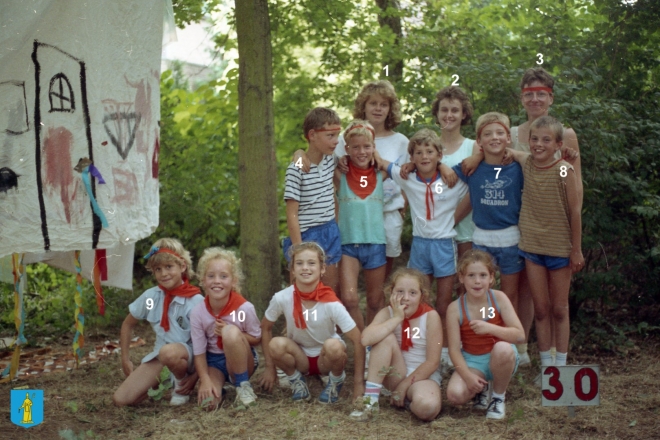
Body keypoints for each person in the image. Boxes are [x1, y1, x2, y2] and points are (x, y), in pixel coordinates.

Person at [294, 80, 409, 278]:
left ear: (391, 109)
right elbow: (323, 159)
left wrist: (403, 207)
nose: (378, 109)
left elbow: (406, 178)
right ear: (363, 106)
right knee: (345, 279)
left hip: (387, 214)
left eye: (384, 104)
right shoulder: (348, 136)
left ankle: (380, 309)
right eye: (373, 103)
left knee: (381, 280)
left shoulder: (401, 142)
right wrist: (298, 153)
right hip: (352, 218)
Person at [376, 129, 469, 371]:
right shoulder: (407, 177)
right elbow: (381, 162)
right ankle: (413, 347)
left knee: (443, 303)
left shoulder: (453, 179)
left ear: (439, 154)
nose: (424, 156)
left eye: (430, 151)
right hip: (420, 245)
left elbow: (477, 165)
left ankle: (445, 351)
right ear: (412, 157)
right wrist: (404, 164)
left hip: (444, 245)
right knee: (416, 300)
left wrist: (446, 167)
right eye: (418, 153)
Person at [510, 67, 584, 364]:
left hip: (557, 235)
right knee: (533, 298)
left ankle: (558, 363)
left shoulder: (564, 135)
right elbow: (497, 149)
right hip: (525, 229)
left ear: (551, 98)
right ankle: (530, 354)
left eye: (542, 93)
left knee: (558, 306)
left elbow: (575, 197)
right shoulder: (518, 137)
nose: (535, 99)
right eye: (529, 94)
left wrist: (574, 243)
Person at [260, 242, 365, 404]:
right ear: (293, 269)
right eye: (299, 263)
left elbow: (358, 340)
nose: (305, 268)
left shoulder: (332, 303)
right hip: (300, 357)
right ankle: (296, 379)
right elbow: (265, 328)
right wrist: (269, 367)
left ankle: (336, 380)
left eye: (311, 263)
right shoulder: (282, 297)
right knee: (276, 344)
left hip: (326, 359)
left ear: (322, 269)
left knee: (334, 346)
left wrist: (358, 384)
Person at [451, 112, 525, 331]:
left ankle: (511, 341)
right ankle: (477, 336)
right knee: (478, 291)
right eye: (488, 134)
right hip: (482, 238)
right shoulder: (473, 168)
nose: (495, 137)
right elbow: (442, 174)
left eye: (500, 133)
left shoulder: (517, 168)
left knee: (510, 294)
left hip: (511, 238)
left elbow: (541, 162)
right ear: (479, 141)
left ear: (508, 138)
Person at [113, 238, 204, 407]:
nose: (163, 274)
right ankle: (165, 379)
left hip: (191, 357)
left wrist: (196, 377)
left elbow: (208, 342)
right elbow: (128, 324)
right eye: (158, 269)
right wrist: (125, 358)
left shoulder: (196, 301)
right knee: (121, 400)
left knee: (169, 352)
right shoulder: (151, 297)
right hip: (161, 357)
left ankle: (180, 383)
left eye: (169, 267)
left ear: (182, 266)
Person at [351, 268, 442, 422]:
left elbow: (432, 362)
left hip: (421, 377)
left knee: (427, 408)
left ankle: (408, 400)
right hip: (393, 372)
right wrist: (397, 319)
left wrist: (404, 386)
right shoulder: (388, 313)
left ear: (422, 296)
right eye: (400, 291)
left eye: (413, 293)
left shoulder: (430, 316)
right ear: (391, 292)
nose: (405, 298)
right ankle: (371, 401)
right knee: (385, 337)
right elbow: (366, 339)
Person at [446, 250, 524, 420]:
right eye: (471, 275)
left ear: (491, 277)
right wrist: (467, 377)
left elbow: (519, 336)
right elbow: (453, 350)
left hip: (501, 357)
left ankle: (497, 398)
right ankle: (482, 388)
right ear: (461, 277)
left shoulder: (499, 298)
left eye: (482, 275)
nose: (477, 281)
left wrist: (491, 329)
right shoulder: (454, 308)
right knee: (455, 395)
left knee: (502, 348)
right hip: (473, 360)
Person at [190, 248, 261, 410]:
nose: (217, 281)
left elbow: (256, 339)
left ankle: (243, 385)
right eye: (211, 276)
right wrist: (205, 380)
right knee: (208, 405)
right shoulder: (197, 312)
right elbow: (199, 353)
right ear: (202, 280)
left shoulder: (244, 308)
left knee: (230, 332)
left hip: (242, 359)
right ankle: (222, 387)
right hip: (214, 362)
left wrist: (230, 331)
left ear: (233, 281)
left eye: (223, 276)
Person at [283, 107, 342, 293]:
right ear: (312, 135)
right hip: (307, 236)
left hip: (330, 231)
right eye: (330, 136)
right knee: (302, 294)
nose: (336, 141)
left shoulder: (330, 159)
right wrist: (298, 249)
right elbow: (291, 213)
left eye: (337, 135)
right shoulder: (297, 168)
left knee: (329, 292)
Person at [336, 120, 388, 330]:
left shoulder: (381, 174)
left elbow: (405, 167)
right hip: (348, 244)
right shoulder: (339, 174)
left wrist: (379, 158)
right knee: (349, 299)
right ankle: (361, 342)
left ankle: (373, 344)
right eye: (355, 147)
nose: (361, 151)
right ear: (347, 149)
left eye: (367, 146)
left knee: (375, 301)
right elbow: (319, 159)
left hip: (375, 243)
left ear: (374, 148)